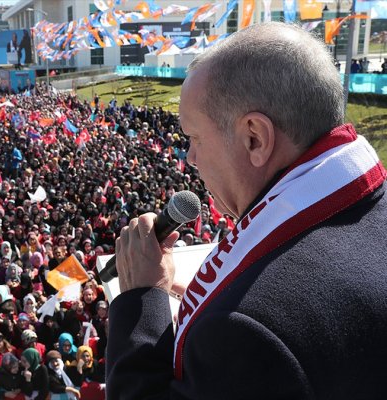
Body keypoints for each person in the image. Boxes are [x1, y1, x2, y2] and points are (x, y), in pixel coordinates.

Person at [106, 22, 387, 399]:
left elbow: (276, 326)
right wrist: (222, 293)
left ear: (254, 137)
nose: (189, 158)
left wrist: (141, 301)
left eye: (195, 138)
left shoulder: (246, 328)